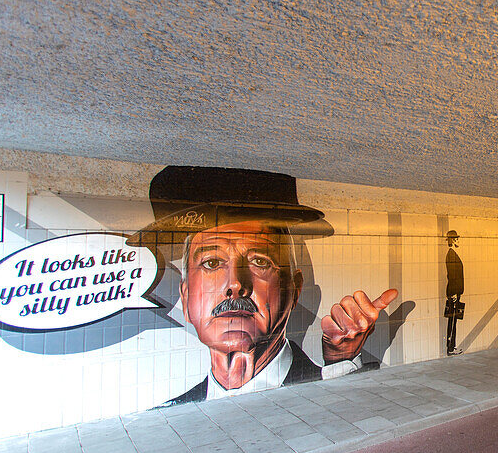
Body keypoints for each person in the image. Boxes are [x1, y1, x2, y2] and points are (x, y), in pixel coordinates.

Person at [130, 166, 397, 403]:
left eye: (259, 261)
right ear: (186, 297)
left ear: (294, 290)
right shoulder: (169, 415)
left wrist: (341, 362)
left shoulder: (333, 378)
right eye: (211, 263)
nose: (235, 284)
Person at [444, 230, 464, 355]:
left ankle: (452, 346)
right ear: (453, 240)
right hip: (454, 292)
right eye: (457, 239)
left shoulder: (453, 254)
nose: (458, 241)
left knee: (454, 319)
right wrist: (454, 292)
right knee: (452, 319)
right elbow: (452, 276)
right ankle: (450, 348)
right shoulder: (451, 255)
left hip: (455, 292)